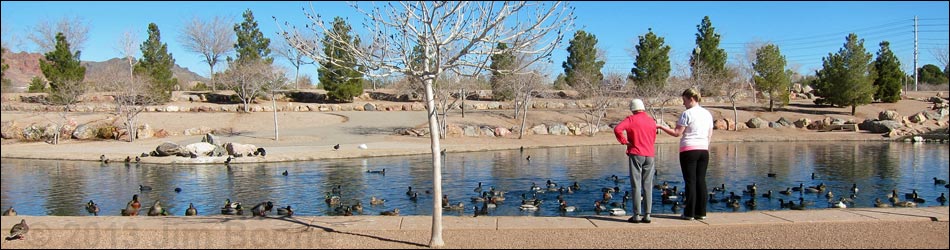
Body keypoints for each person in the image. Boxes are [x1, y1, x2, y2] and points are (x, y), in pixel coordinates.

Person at [658, 88, 713, 221]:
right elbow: (709, 134)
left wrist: (660, 126)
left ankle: (689, 213)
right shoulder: (707, 114)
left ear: (691, 99)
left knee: (690, 182)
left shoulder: (687, 114)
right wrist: (704, 145)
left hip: (689, 150)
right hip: (704, 150)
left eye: (684, 100)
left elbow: (677, 133)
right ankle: (701, 212)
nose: (684, 104)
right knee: (701, 180)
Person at [613, 98, 657, 223]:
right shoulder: (651, 121)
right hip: (650, 154)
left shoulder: (631, 119)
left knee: (636, 184)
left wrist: (625, 142)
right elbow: (653, 137)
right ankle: (647, 214)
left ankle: (637, 214)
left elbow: (617, 129)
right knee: (648, 185)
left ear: (632, 109)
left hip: (636, 153)